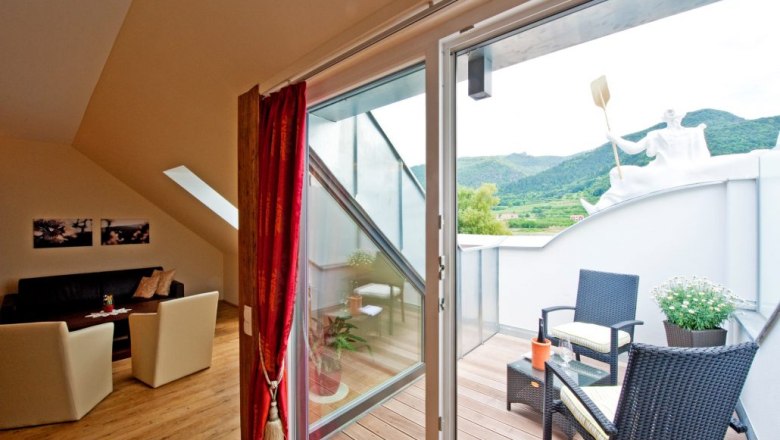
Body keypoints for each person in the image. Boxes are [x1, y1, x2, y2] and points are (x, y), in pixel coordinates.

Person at [581, 109, 711, 214]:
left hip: (664, 173)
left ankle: (602, 207)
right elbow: (705, 159)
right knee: (619, 173)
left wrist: (615, 139)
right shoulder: (695, 132)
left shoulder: (662, 134)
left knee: (618, 173)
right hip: (683, 174)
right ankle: (607, 207)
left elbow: (633, 149)